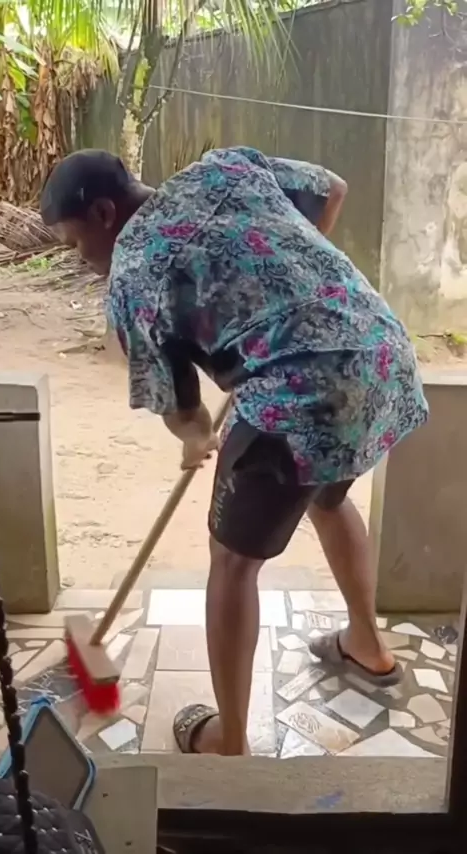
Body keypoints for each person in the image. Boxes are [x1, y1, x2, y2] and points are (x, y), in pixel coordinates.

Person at [40, 146, 428, 756]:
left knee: (231, 562)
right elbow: (331, 188)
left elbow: (181, 410)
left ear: (104, 214)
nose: (80, 259)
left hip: (300, 397)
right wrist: (287, 298)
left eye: (74, 243)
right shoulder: (224, 168)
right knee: (327, 499)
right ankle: (367, 647)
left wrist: (197, 439)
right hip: (381, 359)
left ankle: (231, 741)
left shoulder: (135, 274)